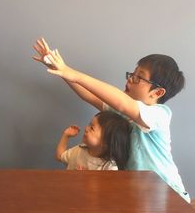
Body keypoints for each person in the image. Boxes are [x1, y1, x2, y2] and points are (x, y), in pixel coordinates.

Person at [33, 38, 190, 202]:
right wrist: (60, 71)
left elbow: (122, 103)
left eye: (138, 77)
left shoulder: (160, 115)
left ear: (157, 93)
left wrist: (72, 72)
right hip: (139, 193)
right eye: (132, 74)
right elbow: (90, 96)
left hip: (169, 194)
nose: (130, 79)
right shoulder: (122, 113)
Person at [56, 111, 131, 170]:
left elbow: (108, 188)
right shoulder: (79, 149)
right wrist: (66, 135)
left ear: (106, 142)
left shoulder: (109, 167)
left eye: (92, 128)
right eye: (89, 125)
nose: (86, 128)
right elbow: (60, 156)